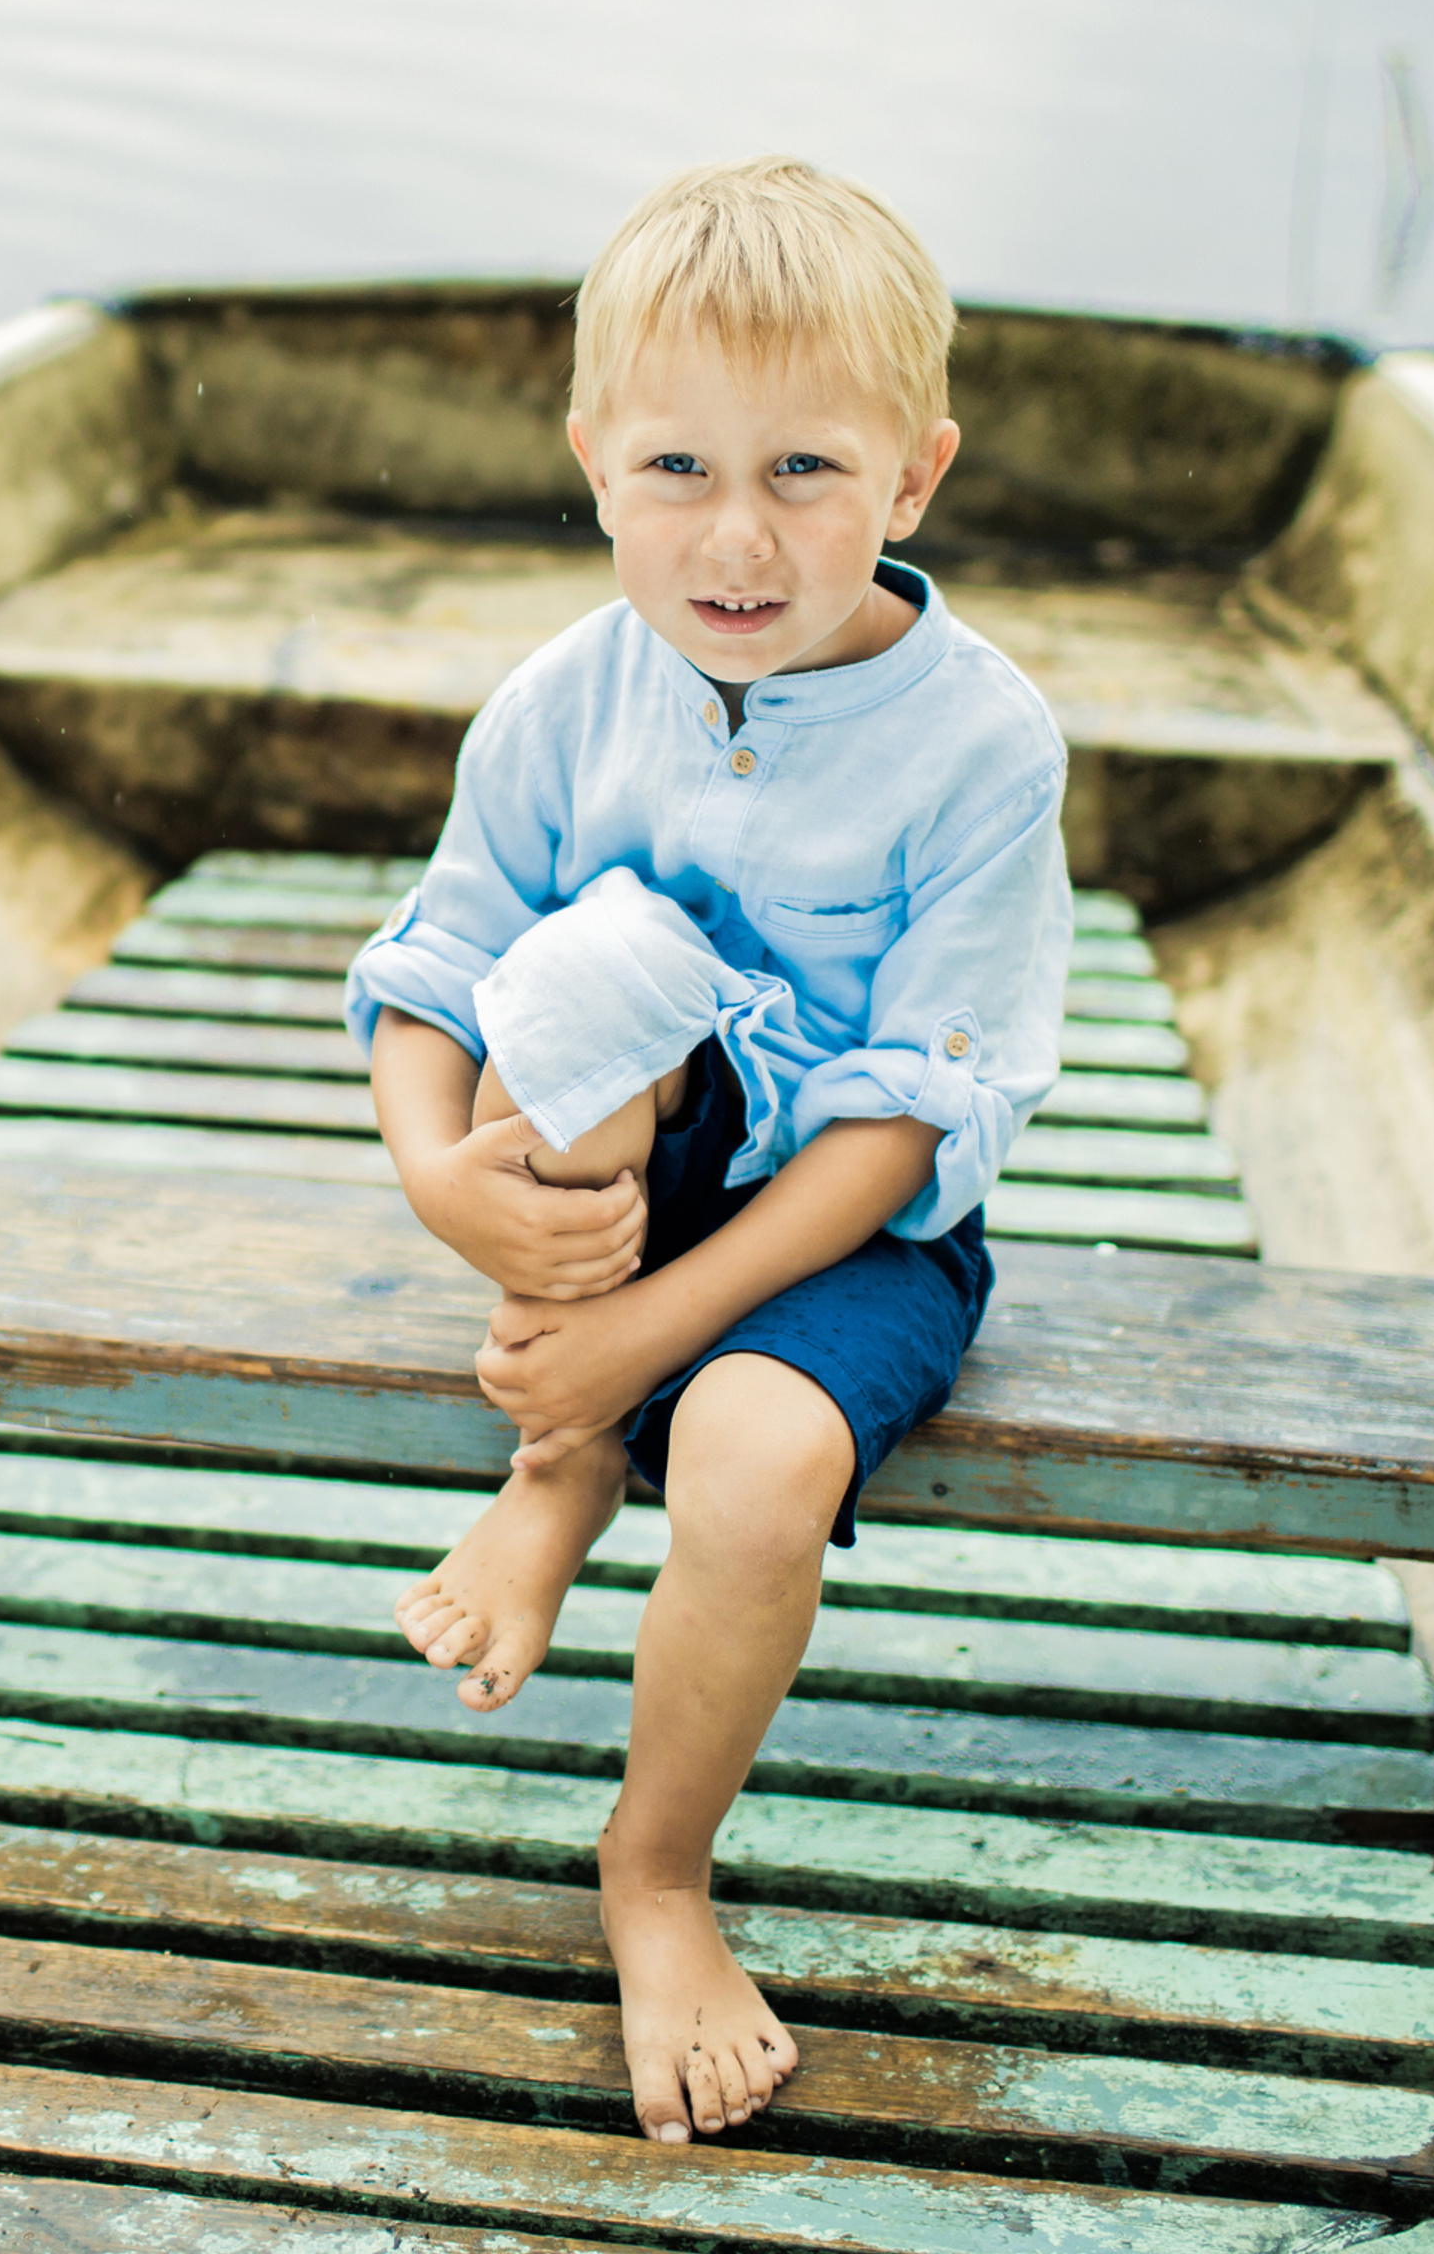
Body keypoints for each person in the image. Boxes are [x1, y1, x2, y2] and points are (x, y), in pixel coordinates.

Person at [345, 157, 1071, 2148]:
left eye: (804, 473)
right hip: (621, 1174)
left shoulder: (977, 744)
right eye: (674, 466)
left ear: (910, 477)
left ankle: (651, 1868)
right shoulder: (567, 696)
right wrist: (430, 1168)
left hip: (849, 1220)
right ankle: (557, 1462)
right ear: (589, 457)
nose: (734, 537)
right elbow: (447, 956)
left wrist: (650, 1323)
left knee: (754, 1456)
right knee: (590, 956)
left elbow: (906, 1114)